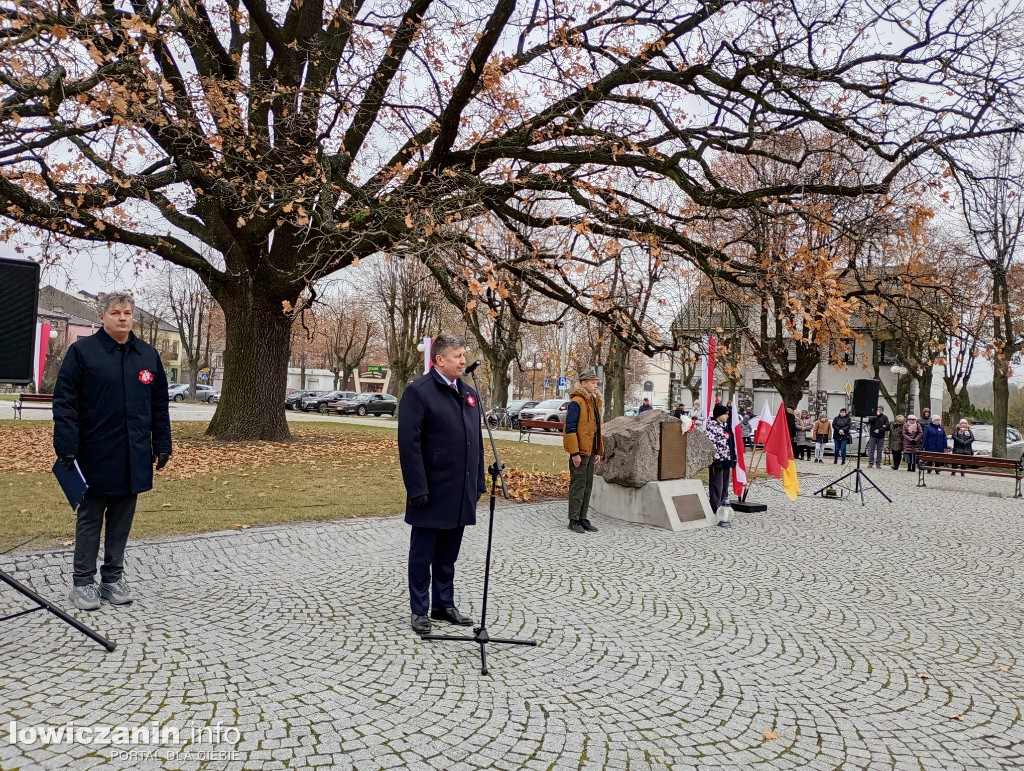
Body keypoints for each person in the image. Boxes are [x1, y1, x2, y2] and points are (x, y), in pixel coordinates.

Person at [52, 292, 172, 611]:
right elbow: (65, 402)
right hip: (92, 453)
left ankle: (112, 578)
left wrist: (162, 443)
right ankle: (82, 582)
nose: (122, 317)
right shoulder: (83, 353)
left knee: (121, 520)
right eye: (116, 312)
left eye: (127, 312)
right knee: (90, 518)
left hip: (133, 455)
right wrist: (65, 444)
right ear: (103, 317)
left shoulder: (147, 356)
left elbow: (159, 404)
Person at [397, 333, 486, 636]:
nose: (463, 360)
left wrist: (479, 481)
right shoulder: (418, 392)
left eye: (464, 355)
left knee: (449, 552)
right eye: (457, 356)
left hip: (460, 488)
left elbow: (476, 440)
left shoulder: (467, 392)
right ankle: (420, 609)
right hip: (431, 490)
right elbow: (408, 444)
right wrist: (417, 487)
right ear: (439, 360)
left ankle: (443, 604)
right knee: (423, 554)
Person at [563, 370, 604, 534]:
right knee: (578, 484)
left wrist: (598, 450)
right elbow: (570, 428)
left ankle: (582, 517)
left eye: (596, 382)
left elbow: (597, 428)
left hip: (591, 449)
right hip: (580, 450)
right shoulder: (576, 402)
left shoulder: (593, 401)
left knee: (587, 484)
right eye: (592, 382)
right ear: (584, 383)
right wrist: (574, 453)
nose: (596, 385)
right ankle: (573, 519)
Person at [704, 404, 735, 512]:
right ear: (719, 415)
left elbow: (730, 443)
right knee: (717, 485)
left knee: (725, 485)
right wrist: (716, 459)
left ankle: (723, 505)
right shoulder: (712, 427)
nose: (727, 415)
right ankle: (714, 507)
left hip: (726, 460)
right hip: (717, 462)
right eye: (725, 413)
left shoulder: (725, 426)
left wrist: (733, 458)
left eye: (727, 413)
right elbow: (711, 445)